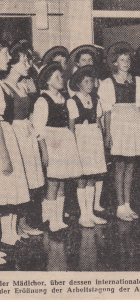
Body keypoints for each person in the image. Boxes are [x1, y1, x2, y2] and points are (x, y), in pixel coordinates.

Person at [99, 42, 140, 221]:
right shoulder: (108, 82)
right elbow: (107, 111)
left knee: (131, 166)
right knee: (119, 166)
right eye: (122, 60)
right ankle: (120, 206)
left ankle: (127, 204)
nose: (126, 62)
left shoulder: (138, 81)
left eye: (128, 59)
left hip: (134, 124)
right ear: (115, 63)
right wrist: (108, 133)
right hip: (119, 125)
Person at [32, 62, 83, 232]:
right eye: (57, 77)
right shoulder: (43, 100)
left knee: (61, 182)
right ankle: (51, 220)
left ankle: (58, 218)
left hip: (63, 142)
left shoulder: (64, 98)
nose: (61, 79)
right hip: (52, 143)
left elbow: (69, 125)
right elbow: (38, 128)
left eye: (61, 76)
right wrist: (45, 151)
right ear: (47, 81)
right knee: (53, 182)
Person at [2, 42, 45, 236]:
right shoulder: (4, 85)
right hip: (14, 135)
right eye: (24, 61)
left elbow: (31, 113)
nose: (28, 65)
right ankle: (15, 227)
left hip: (27, 134)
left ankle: (23, 223)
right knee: (19, 181)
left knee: (30, 181)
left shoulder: (24, 85)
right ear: (11, 64)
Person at [0, 40, 31, 252]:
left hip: (8, 135)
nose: (9, 58)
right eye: (4, 53)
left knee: (9, 192)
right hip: (3, 139)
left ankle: (9, 235)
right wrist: (3, 155)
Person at [67, 65, 107, 227]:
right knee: (82, 178)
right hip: (81, 139)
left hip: (94, 138)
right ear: (78, 84)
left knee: (92, 176)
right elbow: (71, 127)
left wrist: (102, 141)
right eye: (86, 81)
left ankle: (91, 213)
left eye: (91, 81)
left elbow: (98, 122)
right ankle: (83, 215)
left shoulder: (96, 100)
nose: (89, 84)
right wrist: (72, 146)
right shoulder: (73, 101)